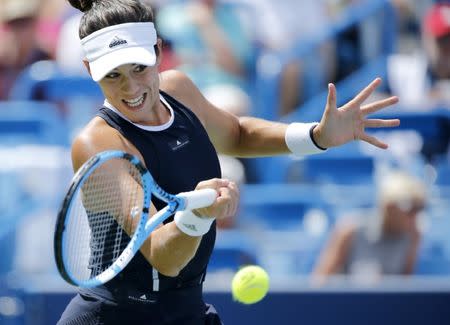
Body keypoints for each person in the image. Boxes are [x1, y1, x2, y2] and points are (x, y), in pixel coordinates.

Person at [57, 0, 400, 323]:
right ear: (89, 69)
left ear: (159, 51)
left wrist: (315, 136)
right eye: (113, 75)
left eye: (138, 67)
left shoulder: (178, 89)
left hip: (185, 311)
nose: (131, 87)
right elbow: (163, 256)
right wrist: (198, 216)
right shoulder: (97, 141)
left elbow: (235, 134)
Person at [312, 171, 426, 282]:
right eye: (410, 208)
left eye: (419, 208)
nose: (415, 216)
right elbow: (320, 281)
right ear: (389, 207)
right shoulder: (349, 231)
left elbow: (405, 285)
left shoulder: (413, 236)